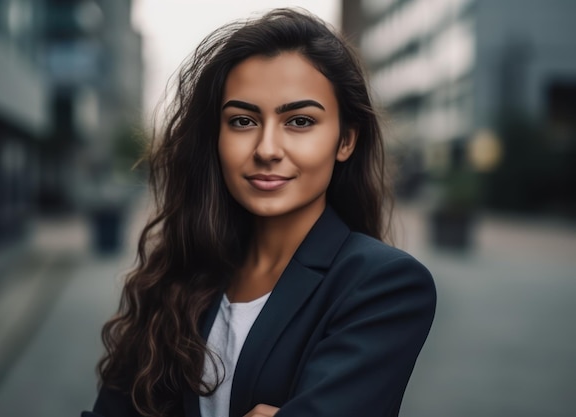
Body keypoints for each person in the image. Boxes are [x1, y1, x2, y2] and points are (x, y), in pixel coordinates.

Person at [82, 8, 436, 417]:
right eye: (243, 121)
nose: (267, 149)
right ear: (215, 137)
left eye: (300, 121)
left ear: (345, 141)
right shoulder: (177, 273)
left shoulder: (383, 287)